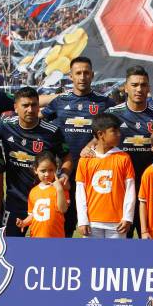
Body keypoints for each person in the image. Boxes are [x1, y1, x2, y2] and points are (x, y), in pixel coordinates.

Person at [0, 87, 70, 237]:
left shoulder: (52, 131)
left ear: (39, 106)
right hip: (16, 199)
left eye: (34, 105)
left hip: (45, 199)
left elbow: (66, 156)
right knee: (10, 244)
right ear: (15, 107)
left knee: (46, 244)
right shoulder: (5, 125)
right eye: (25, 105)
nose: (30, 109)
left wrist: (64, 174)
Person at [40, 56, 115, 237]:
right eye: (78, 73)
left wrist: (92, 143)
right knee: (62, 221)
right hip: (64, 172)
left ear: (92, 75)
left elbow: (111, 131)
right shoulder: (59, 102)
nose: (82, 77)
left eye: (86, 73)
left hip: (92, 172)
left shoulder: (104, 103)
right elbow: (36, 118)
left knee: (90, 223)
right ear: (71, 76)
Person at [104, 66, 153, 238]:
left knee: (150, 237)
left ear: (149, 88)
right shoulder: (112, 115)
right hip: (120, 188)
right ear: (125, 88)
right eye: (134, 85)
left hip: (150, 186)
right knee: (121, 240)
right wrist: (87, 149)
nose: (139, 89)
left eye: (143, 85)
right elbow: (99, 144)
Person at [76, 114, 135, 239]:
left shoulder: (124, 158)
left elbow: (130, 190)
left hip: (117, 222)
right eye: (114, 131)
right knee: (92, 258)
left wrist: (127, 217)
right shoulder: (85, 160)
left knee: (115, 258)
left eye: (119, 130)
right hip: (92, 221)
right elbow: (80, 192)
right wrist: (82, 220)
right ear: (101, 134)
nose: (119, 134)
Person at [16, 151, 69, 238]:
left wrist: (59, 189)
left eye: (51, 170)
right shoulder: (33, 191)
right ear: (35, 170)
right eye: (43, 171)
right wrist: (24, 222)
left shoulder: (61, 188)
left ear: (56, 169)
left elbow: (63, 209)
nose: (47, 174)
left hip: (56, 238)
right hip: (36, 238)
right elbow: (34, 214)